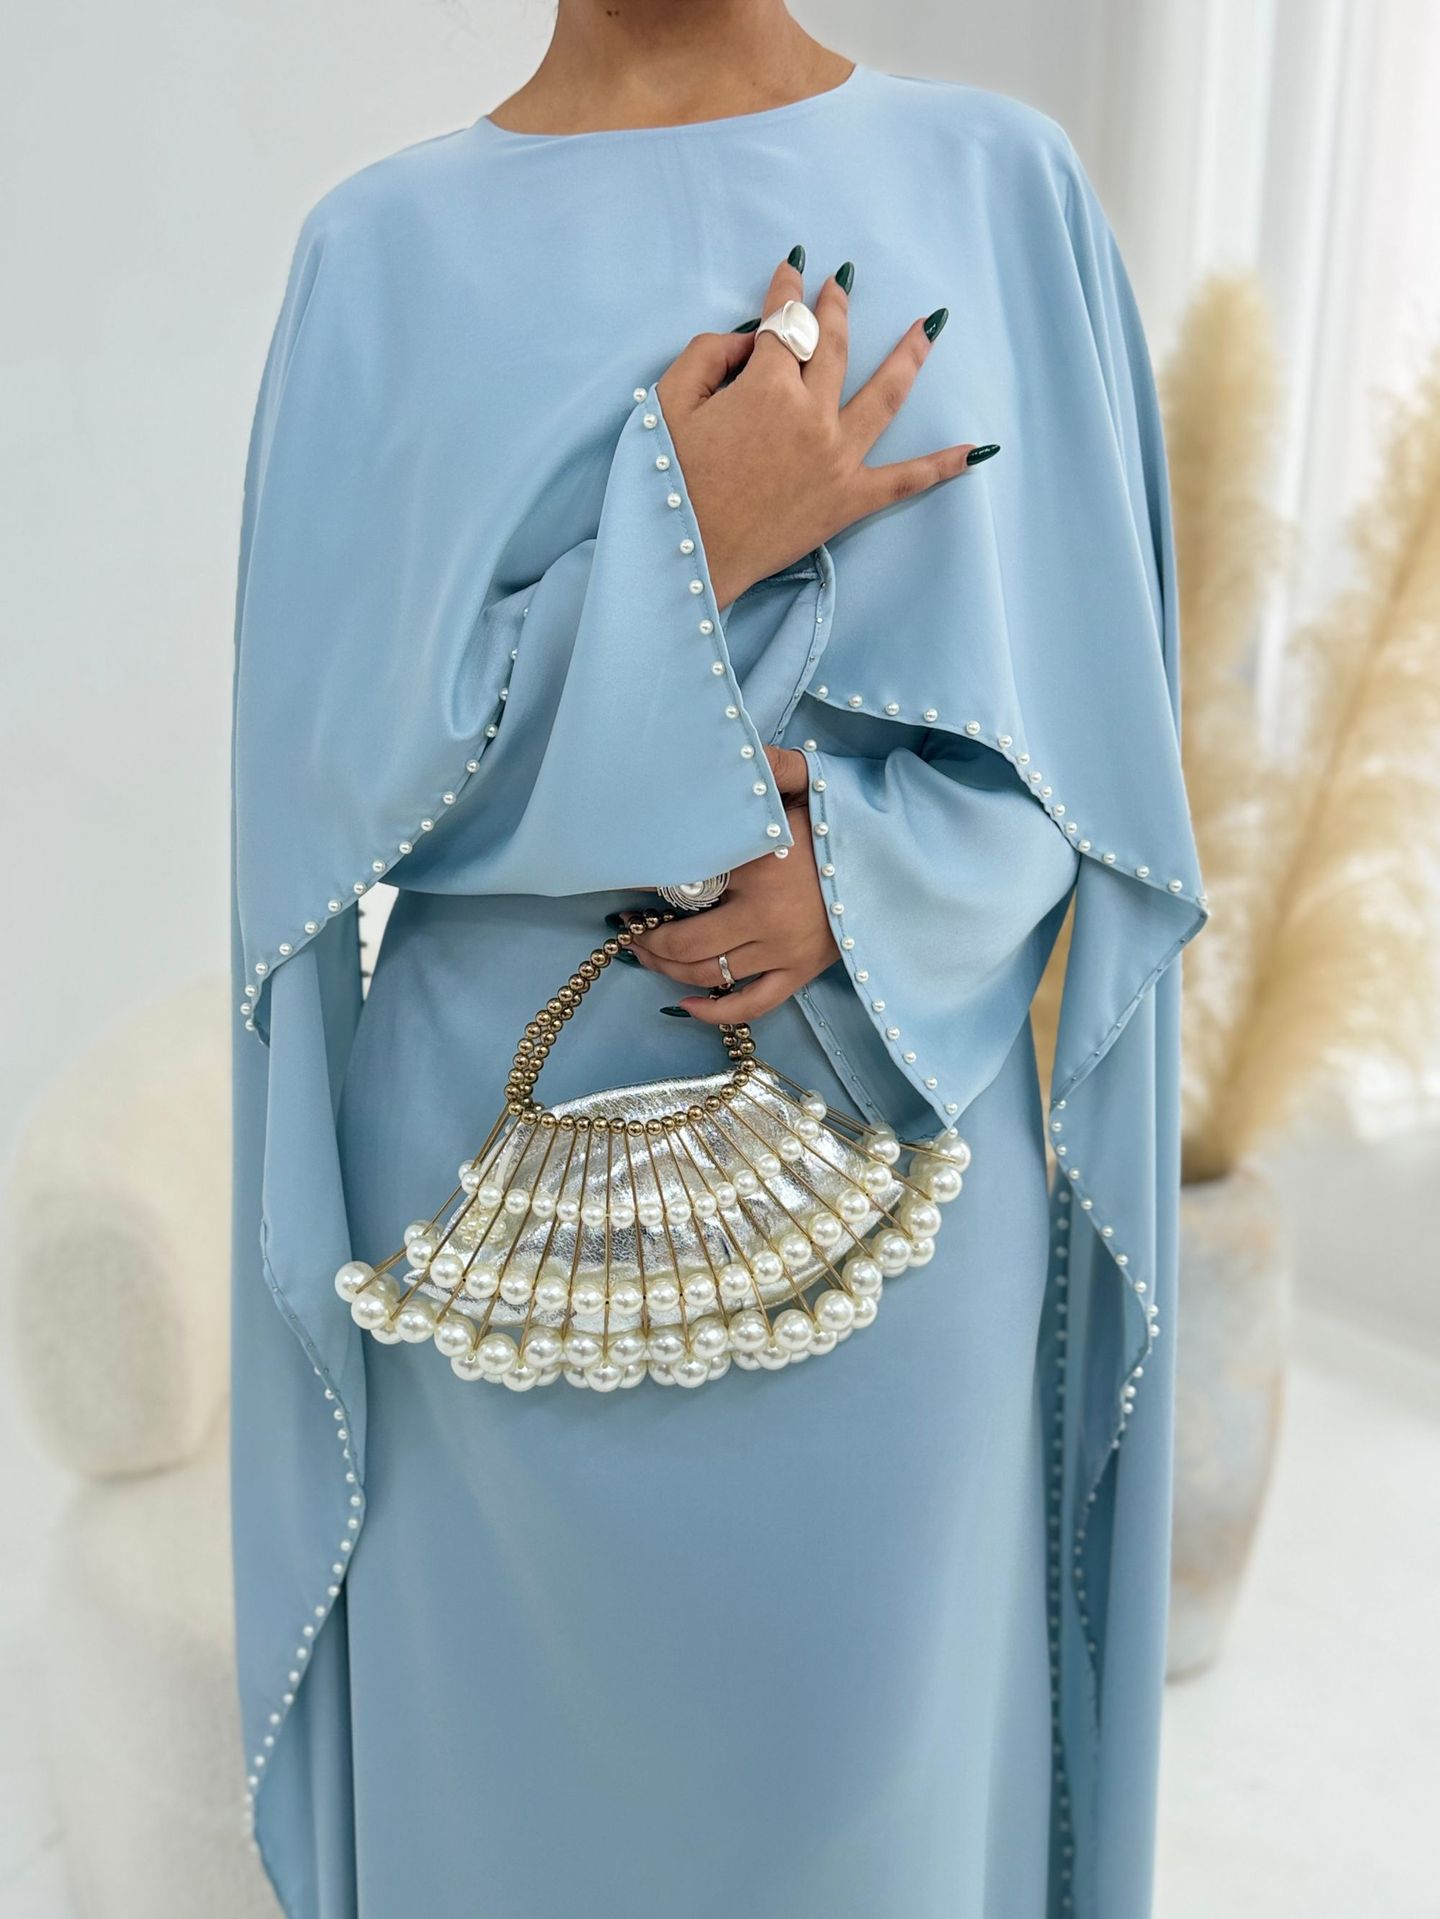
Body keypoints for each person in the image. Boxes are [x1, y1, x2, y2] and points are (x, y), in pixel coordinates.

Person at [230, 7, 1206, 1915]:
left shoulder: (1005, 188)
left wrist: (877, 868)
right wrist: (688, 537)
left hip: (896, 1187)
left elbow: (1107, 759)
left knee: (877, 1823)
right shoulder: (377, 253)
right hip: (482, 1235)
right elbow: (319, 810)